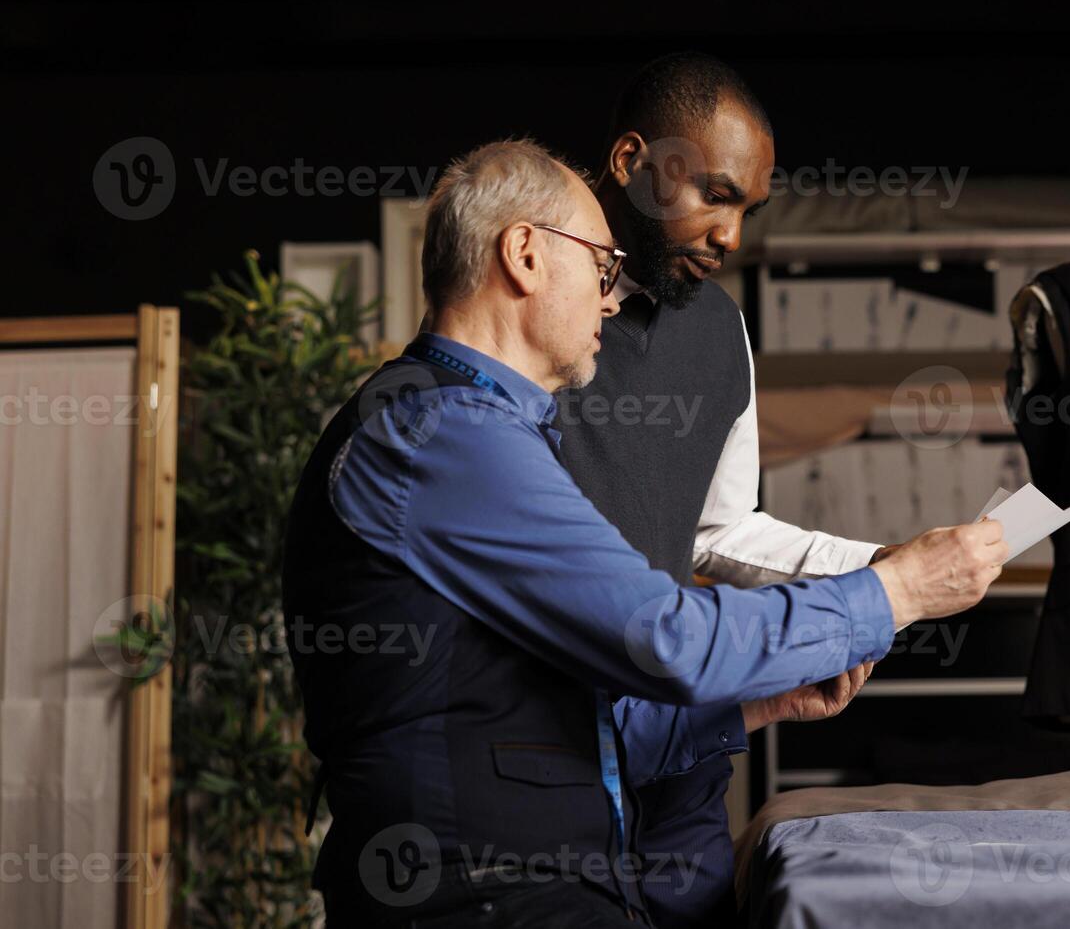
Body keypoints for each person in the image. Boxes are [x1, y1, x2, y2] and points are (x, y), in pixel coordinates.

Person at [282, 138, 1008, 926]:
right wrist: (896, 590)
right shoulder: (445, 433)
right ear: (524, 254)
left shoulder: (471, 427)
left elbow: (557, 733)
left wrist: (760, 703)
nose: (610, 299)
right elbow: (669, 639)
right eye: (600, 267)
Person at [554, 52, 902, 927]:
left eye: (747, 208)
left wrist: (877, 569)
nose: (732, 236)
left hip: (682, 738)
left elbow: (720, 530)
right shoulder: (531, 307)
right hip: (546, 743)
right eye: (713, 194)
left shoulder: (721, 330)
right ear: (632, 162)